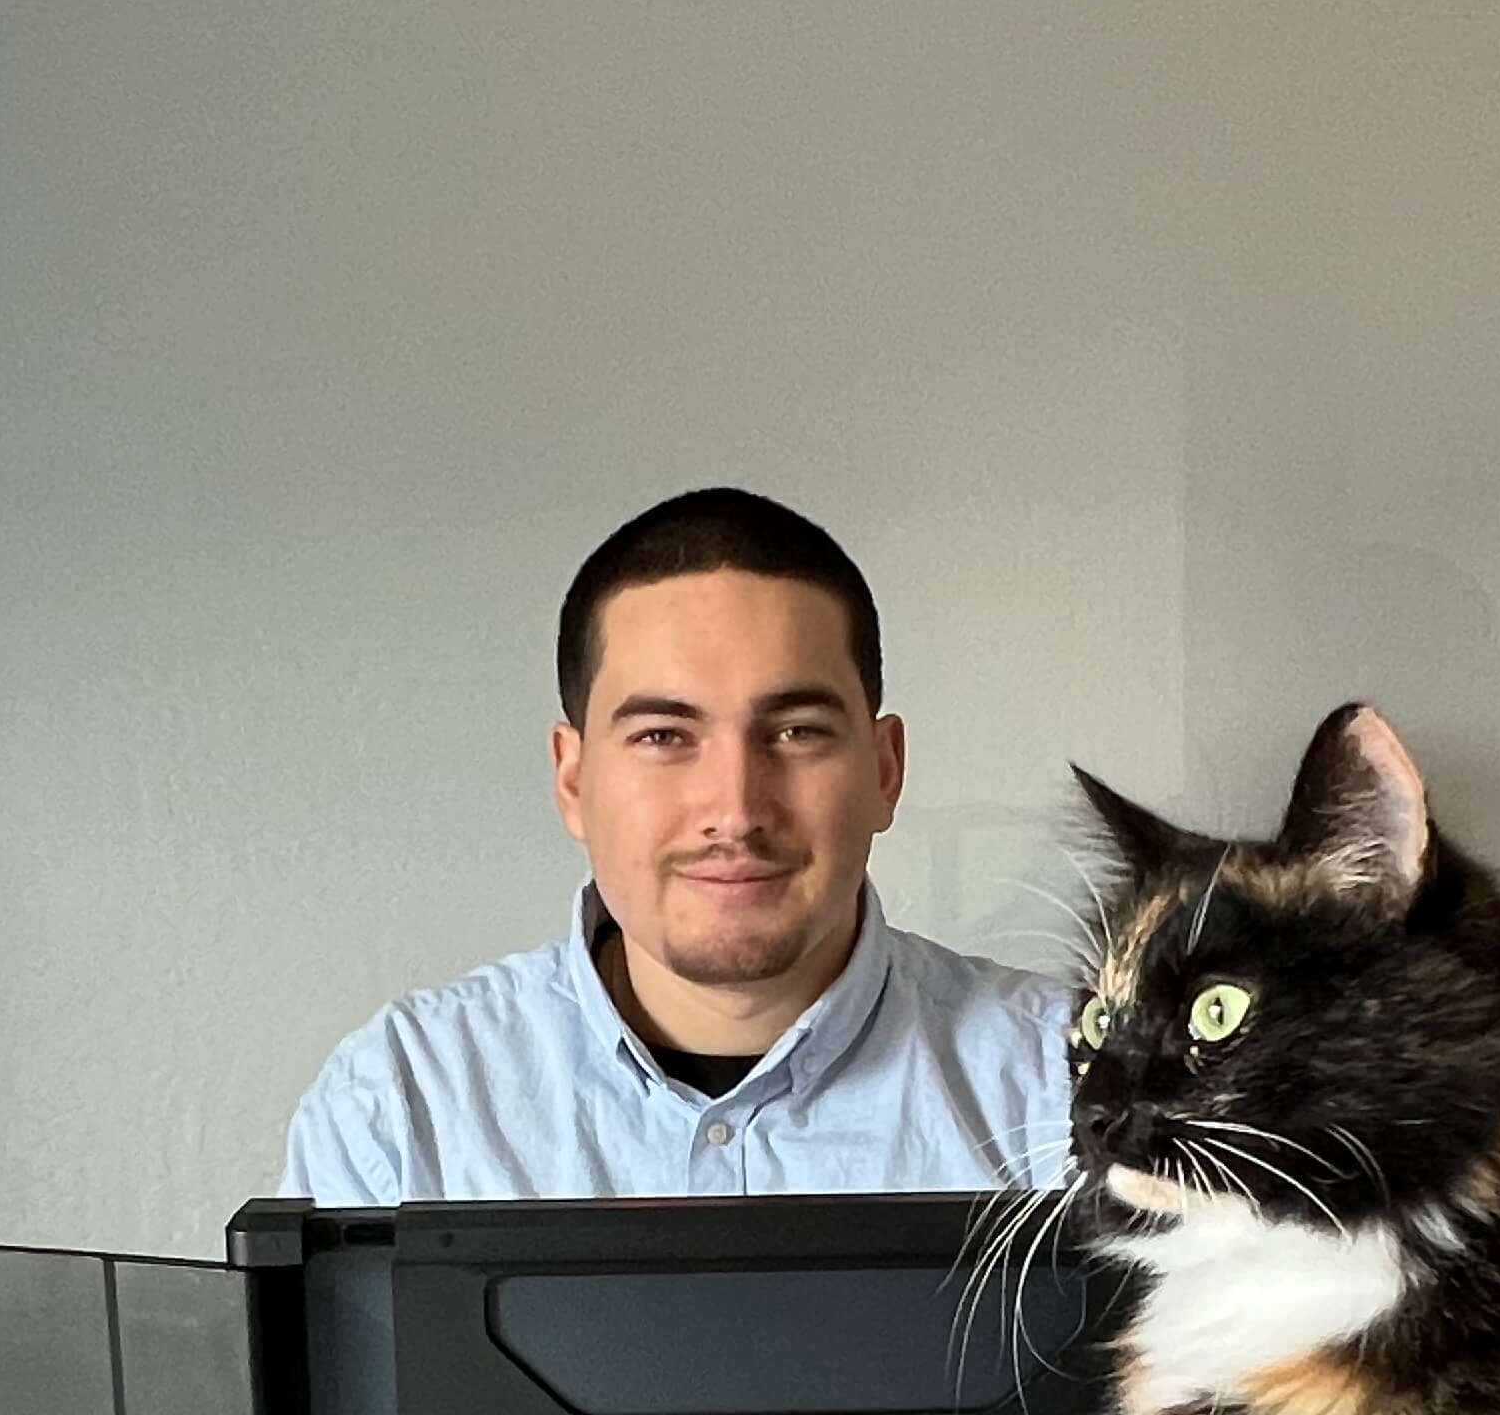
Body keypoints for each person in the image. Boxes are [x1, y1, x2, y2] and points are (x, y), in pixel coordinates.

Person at [280, 487, 1072, 1202]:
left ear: (885, 771)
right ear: (574, 781)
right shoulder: (402, 1105)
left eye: (797, 732)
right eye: (664, 735)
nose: (734, 809)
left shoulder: (1066, 1087)